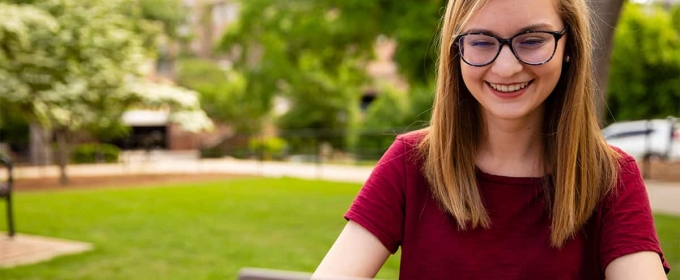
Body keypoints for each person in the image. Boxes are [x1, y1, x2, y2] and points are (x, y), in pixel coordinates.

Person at [313, 0, 671, 279]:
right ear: (456, 51)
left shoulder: (611, 177)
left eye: (532, 40)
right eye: (482, 41)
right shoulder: (409, 162)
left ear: (570, 47)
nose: (506, 67)